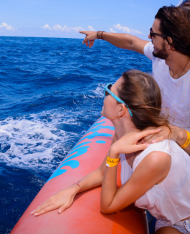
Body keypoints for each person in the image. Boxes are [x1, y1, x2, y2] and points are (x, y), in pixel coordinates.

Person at [31, 70, 190, 234]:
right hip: (169, 220)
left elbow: (108, 205)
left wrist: (114, 153)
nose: (104, 94)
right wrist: (74, 188)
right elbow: (102, 173)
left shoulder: (155, 157)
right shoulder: (123, 135)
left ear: (121, 110)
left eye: (108, 91)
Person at [79, 2, 190, 155]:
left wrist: (175, 133)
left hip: (179, 151)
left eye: (153, 34)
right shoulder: (159, 55)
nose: (148, 37)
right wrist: (99, 34)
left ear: (170, 42)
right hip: (155, 134)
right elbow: (131, 42)